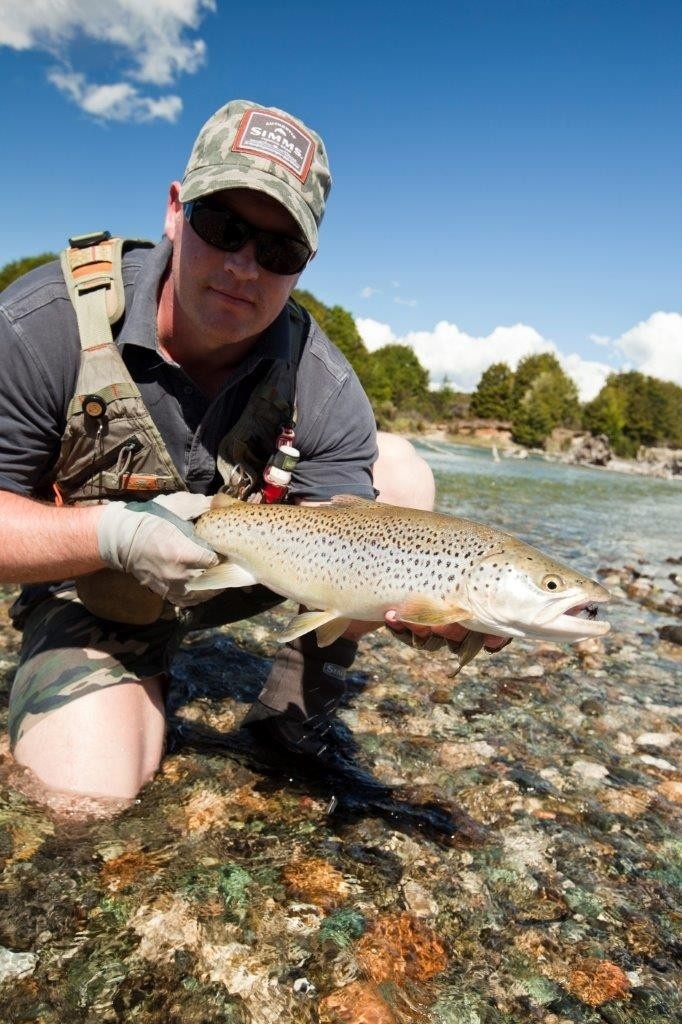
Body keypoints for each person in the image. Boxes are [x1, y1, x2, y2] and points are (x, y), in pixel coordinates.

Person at [0, 99, 504, 808]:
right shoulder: (47, 324)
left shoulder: (323, 383)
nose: (244, 265)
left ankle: (294, 717)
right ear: (176, 210)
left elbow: (353, 571)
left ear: (304, 265)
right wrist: (115, 533)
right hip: (94, 588)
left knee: (403, 475)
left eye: (278, 251)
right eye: (223, 226)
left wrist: (427, 609)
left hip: (257, 570)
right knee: (83, 795)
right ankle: (131, 677)